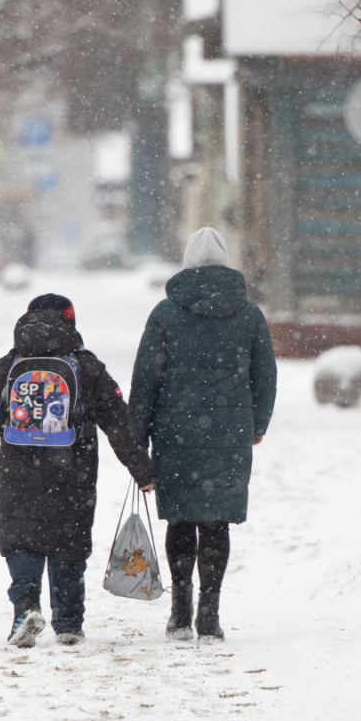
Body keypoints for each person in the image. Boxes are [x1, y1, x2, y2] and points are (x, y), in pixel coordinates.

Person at [0, 293, 155, 648]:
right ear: (70, 321)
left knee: (20, 536)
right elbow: (117, 418)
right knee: (70, 538)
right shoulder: (86, 365)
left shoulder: (11, 362)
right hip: (73, 468)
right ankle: (67, 622)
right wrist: (142, 468)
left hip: (19, 465)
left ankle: (26, 606)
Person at [129, 228, 277, 641]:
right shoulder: (249, 315)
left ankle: (180, 612)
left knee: (181, 518)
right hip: (230, 434)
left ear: (187, 263)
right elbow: (265, 377)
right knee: (216, 522)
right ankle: (209, 614)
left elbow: (145, 380)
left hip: (174, 434)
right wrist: (257, 425)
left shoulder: (165, 314)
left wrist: (136, 435)